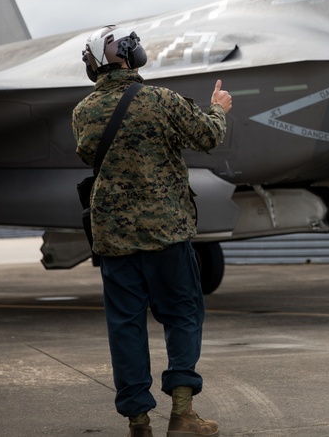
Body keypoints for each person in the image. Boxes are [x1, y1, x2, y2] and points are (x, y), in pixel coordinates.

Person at [72, 25, 232, 437]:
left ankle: (139, 423)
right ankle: (182, 415)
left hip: (114, 238)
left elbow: (89, 152)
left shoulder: (83, 112)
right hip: (166, 233)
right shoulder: (160, 101)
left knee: (125, 326)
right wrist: (219, 108)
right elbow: (208, 135)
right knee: (182, 316)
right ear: (132, 54)